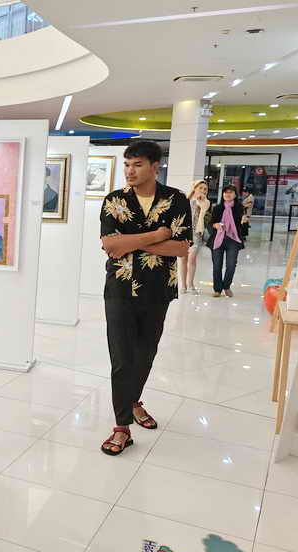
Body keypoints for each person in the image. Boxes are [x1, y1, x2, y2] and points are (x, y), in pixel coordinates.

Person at [98, 140, 192, 456]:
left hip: (157, 289)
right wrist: (156, 235)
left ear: (155, 166)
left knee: (145, 353)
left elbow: (181, 248)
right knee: (122, 357)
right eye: (127, 164)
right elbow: (110, 245)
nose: (130, 171)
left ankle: (134, 400)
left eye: (137, 165)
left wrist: (129, 242)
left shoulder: (176, 200)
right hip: (120, 289)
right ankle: (121, 426)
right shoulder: (114, 201)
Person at [210, 186, 246, 298]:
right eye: (225, 192)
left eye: (230, 192)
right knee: (217, 266)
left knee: (231, 266)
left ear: (235, 195)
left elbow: (243, 227)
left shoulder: (239, 208)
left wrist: (244, 222)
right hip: (218, 239)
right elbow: (211, 223)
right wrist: (215, 225)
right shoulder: (217, 208)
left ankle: (226, 286)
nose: (227, 194)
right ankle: (217, 289)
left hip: (233, 240)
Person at [179, 180, 211, 294]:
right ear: (195, 188)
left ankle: (191, 284)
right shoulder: (185, 200)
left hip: (196, 234)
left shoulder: (205, 202)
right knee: (183, 259)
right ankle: (183, 285)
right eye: (200, 188)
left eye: (205, 189)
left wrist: (200, 202)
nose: (203, 190)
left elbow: (203, 213)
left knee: (192, 259)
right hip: (183, 233)